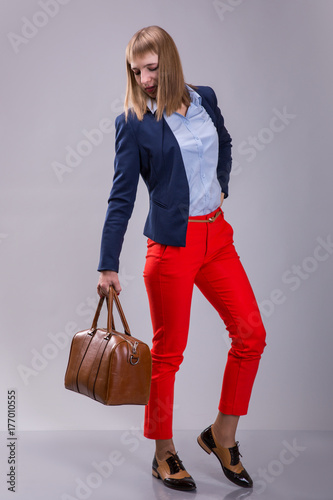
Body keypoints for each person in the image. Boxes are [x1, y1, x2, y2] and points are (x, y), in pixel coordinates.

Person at [97, 25, 266, 492]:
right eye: (137, 71)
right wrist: (107, 263)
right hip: (172, 247)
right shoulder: (133, 123)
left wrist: (221, 186)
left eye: (151, 67)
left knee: (251, 333)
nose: (145, 78)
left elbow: (225, 144)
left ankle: (222, 434)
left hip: (218, 239)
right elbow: (121, 198)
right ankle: (163, 452)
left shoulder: (205, 97)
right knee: (168, 355)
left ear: (169, 60)